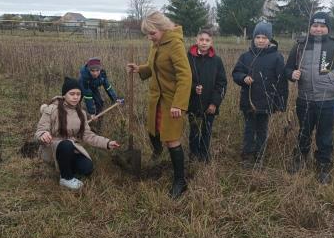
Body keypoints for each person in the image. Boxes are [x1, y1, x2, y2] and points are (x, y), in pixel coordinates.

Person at [285, 12, 334, 184]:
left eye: (322, 26)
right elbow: (288, 69)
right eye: (315, 26)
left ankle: (323, 164)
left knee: (324, 135)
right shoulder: (300, 45)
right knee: (304, 132)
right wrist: (291, 74)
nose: (318, 29)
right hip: (305, 100)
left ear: (328, 28)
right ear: (310, 27)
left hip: (329, 101)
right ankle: (300, 159)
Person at [126, 11, 192, 198]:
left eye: (152, 33)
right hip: (157, 99)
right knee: (153, 130)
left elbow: (185, 76)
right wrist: (140, 68)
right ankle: (158, 153)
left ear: (163, 29)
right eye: (147, 34)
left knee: (172, 138)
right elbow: (154, 66)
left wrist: (178, 104)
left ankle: (180, 181)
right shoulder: (157, 44)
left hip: (172, 101)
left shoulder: (175, 45)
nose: (149, 37)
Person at [34, 77, 120, 190]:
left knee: (87, 168)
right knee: (66, 144)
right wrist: (43, 134)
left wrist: (108, 143)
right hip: (53, 147)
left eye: (78, 94)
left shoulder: (81, 113)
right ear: (64, 95)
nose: (75, 97)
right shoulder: (52, 109)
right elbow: (39, 132)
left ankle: (63, 165)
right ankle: (66, 178)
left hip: (71, 148)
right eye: (72, 94)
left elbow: (88, 135)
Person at [232, 21, 288, 168]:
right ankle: (247, 155)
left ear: (270, 39)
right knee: (249, 128)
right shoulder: (246, 56)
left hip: (266, 102)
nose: (261, 40)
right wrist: (243, 78)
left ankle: (259, 155)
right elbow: (236, 73)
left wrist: (281, 102)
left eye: (264, 37)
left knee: (262, 129)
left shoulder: (277, 57)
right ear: (253, 38)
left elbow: (281, 81)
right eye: (258, 37)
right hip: (248, 102)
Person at [187, 28, 227, 163]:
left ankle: (204, 155)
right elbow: (182, 79)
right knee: (194, 130)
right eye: (201, 40)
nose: (204, 43)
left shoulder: (216, 61)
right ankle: (193, 154)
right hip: (193, 103)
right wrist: (193, 88)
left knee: (207, 130)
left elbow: (221, 84)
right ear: (196, 40)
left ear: (211, 42)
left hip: (209, 105)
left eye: (207, 40)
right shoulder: (188, 58)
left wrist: (214, 103)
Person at [78, 57, 123, 131]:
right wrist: (91, 112)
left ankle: (98, 125)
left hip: (93, 86)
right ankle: (77, 123)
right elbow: (88, 96)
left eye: (97, 70)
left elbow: (108, 87)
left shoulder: (102, 75)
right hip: (82, 86)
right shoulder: (85, 77)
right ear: (89, 70)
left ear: (100, 69)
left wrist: (115, 99)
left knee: (100, 103)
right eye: (92, 71)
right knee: (76, 104)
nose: (95, 73)